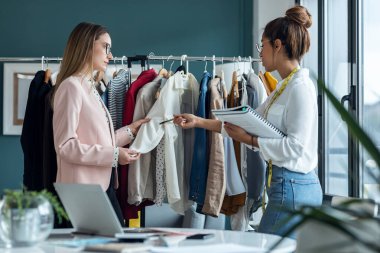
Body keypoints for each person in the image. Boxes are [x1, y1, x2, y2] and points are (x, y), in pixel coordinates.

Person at [174, 5, 322, 237]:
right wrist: (199, 122)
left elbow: (295, 147)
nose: (260, 53)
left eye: (261, 45)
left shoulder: (300, 88)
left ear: (277, 45)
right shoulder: (283, 87)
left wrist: (250, 139)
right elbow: (245, 123)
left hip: (294, 186)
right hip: (287, 185)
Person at [52, 22, 148, 225]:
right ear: (87, 45)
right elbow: (65, 146)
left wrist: (131, 131)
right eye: (106, 47)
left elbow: (97, 138)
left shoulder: (89, 87)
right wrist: (114, 156)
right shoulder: (71, 87)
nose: (110, 55)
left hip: (100, 188)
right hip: (83, 193)